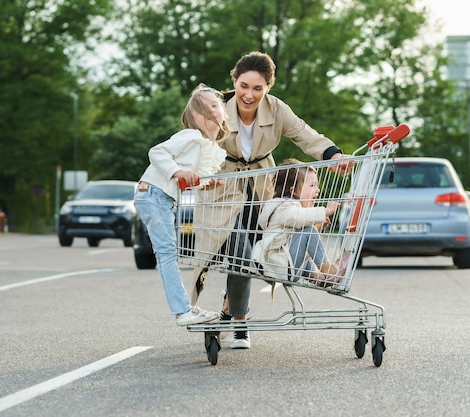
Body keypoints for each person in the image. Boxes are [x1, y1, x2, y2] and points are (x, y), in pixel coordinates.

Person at [190, 51, 353, 349]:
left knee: (260, 252)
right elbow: (196, 144)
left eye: (257, 88)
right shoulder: (217, 110)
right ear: (234, 81)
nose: (248, 94)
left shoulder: (277, 110)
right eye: (243, 86)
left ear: (268, 88)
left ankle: (230, 309)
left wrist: (334, 154)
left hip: (262, 186)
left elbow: (304, 134)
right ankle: (240, 320)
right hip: (222, 188)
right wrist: (196, 172)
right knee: (239, 252)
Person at [134, 83, 228, 326]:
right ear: (198, 115)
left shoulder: (203, 145)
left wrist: (204, 185)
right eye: (212, 107)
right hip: (153, 194)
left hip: (161, 197)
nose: (218, 111)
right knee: (166, 254)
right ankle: (182, 311)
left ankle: (184, 309)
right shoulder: (191, 136)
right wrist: (176, 171)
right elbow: (157, 152)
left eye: (218, 106)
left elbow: (187, 180)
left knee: (168, 253)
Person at [253, 159, 351, 286]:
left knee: (307, 235)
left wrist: (318, 226)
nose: (318, 190)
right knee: (308, 231)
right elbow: (298, 216)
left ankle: (318, 278)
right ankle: (329, 271)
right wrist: (325, 211)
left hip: (284, 263)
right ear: (294, 190)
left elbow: (301, 240)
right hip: (280, 265)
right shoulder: (283, 206)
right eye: (312, 185)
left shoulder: (287, 208)